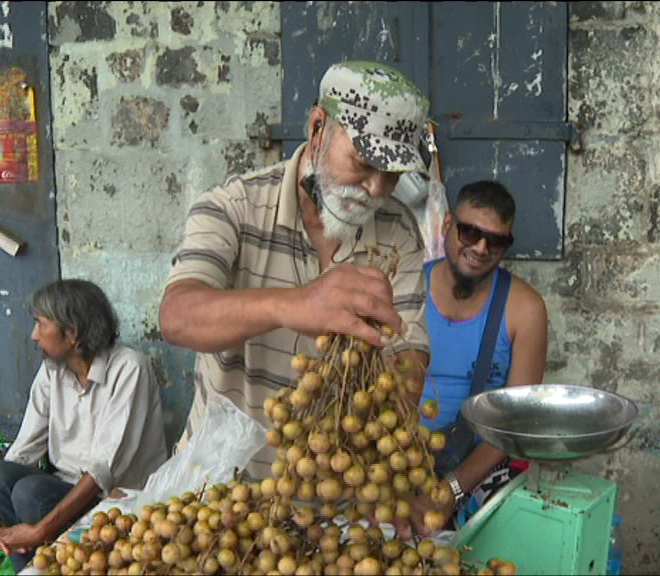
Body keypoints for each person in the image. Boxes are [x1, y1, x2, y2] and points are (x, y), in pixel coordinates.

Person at [158, 61, 432, 480]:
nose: (376, 188)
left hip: (332, 487)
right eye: (362, 163)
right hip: (217, 486)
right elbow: (177, 317)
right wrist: (296, 304)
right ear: (317, 127)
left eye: (392, 174)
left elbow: (407, 357)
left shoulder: (398, 230)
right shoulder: (233, 206)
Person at [0, 279, 168, 571]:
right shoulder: (52, 371)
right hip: (63, 489)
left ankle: (38, 564)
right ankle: (34, 565)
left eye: (41, 324)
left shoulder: (129, 368)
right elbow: (24, 449)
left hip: (116, 501)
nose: (33, 336)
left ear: (73, 333)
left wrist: (39, 531)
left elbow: (102, 471)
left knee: (29, 493)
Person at [407, 180, 549, 536]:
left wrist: (452, 490)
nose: (481, 248)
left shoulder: (525, 309)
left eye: (496, 241)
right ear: (447, 226)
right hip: (399, 457)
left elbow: (514, 423)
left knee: (518, 527)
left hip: (480, 461)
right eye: (470, 232)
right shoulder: (405, 289)